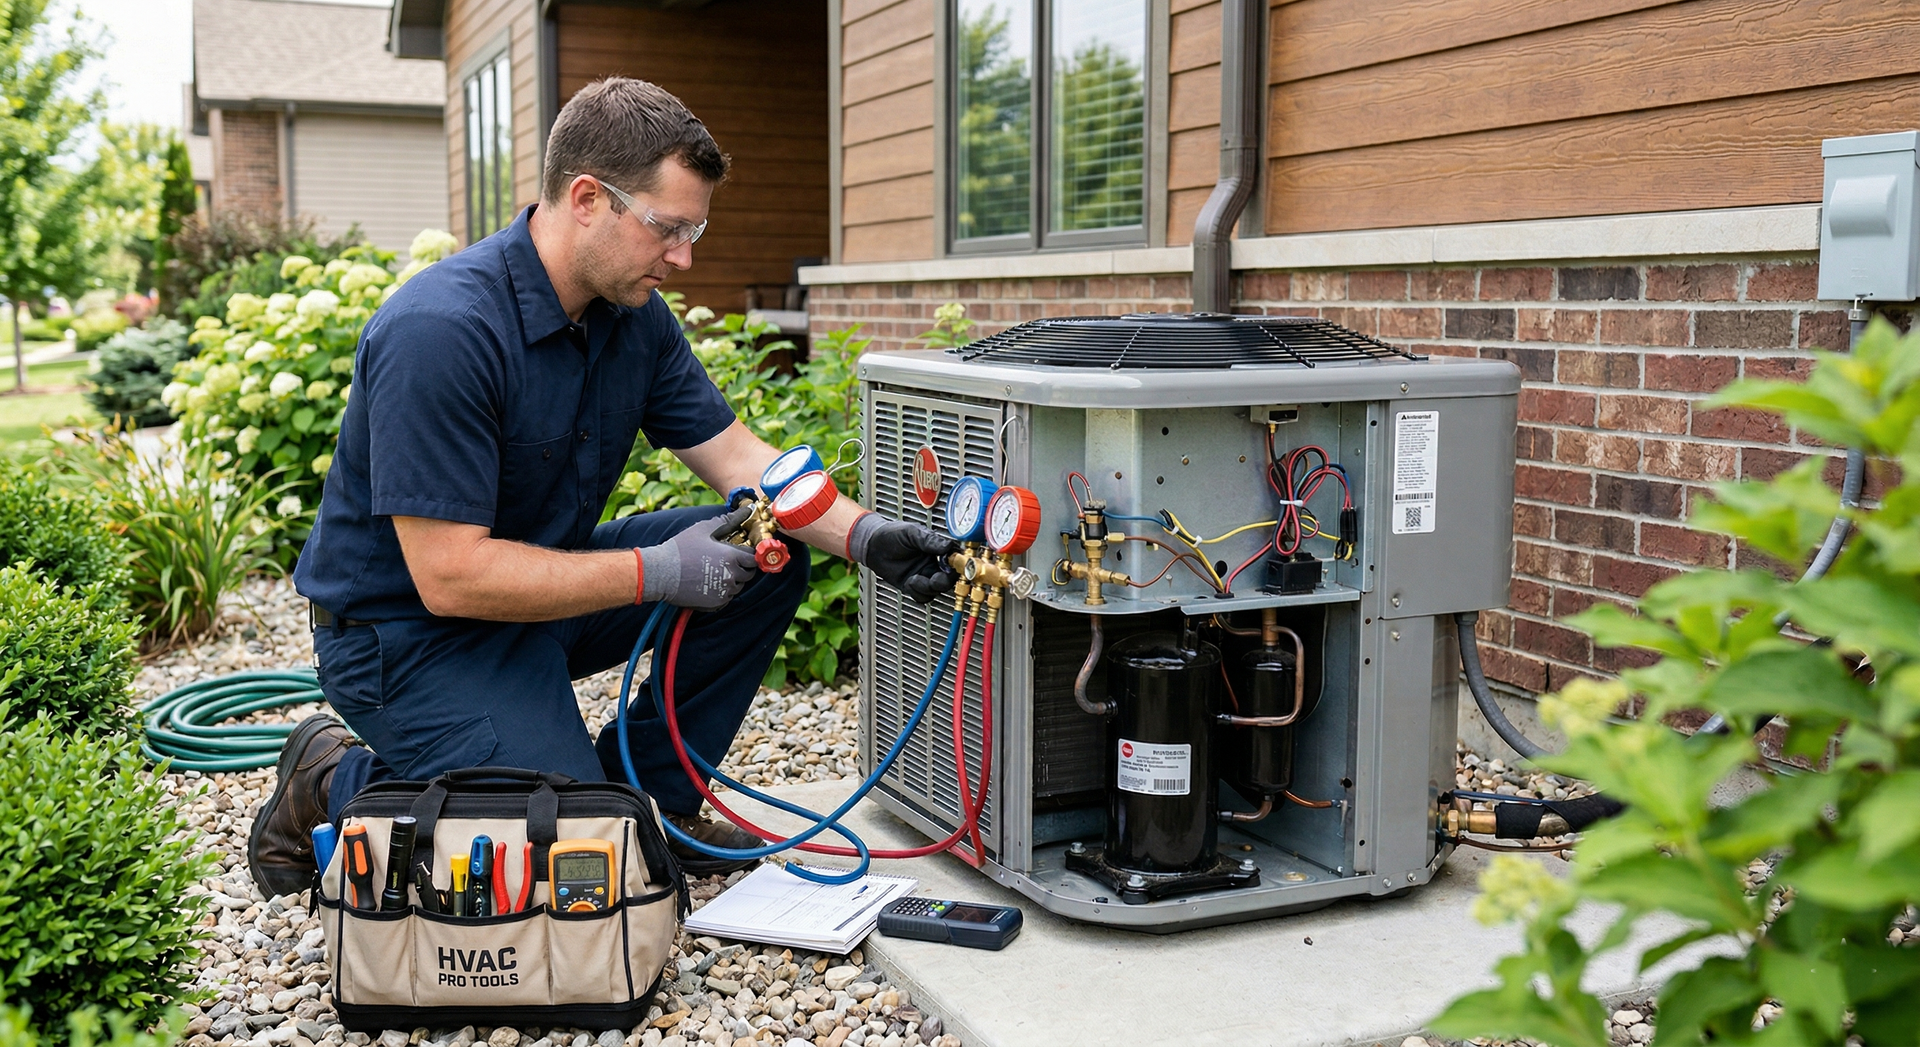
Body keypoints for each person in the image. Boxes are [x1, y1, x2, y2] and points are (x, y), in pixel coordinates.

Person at [247, 78, 959, 898]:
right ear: (587, 198)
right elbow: (449, 576)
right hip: (407, 636)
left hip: (542, 587)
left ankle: (655, 797)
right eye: (668, 228)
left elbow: (736, 454)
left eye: (694, 229)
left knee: (765, 553)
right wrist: (655, 570)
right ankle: (329, 776)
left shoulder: (633, 317)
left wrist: (868, 537)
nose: (685, 256)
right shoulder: (440, 332)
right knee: (577, 860)